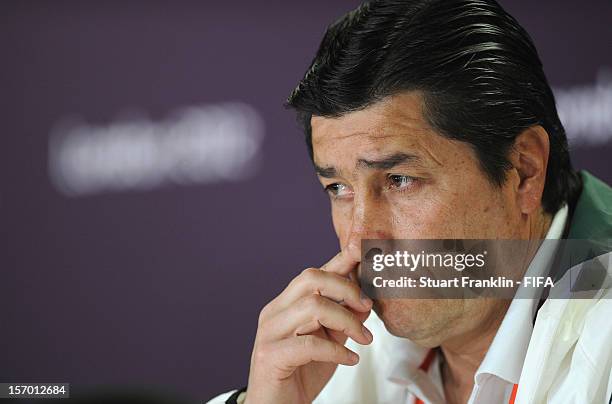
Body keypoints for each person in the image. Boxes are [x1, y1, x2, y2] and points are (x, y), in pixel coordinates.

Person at [208, 0, 612, 403]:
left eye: (400, 180)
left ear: (523, 170)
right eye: (339, 188)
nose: (360, 241)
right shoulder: (334, 354)